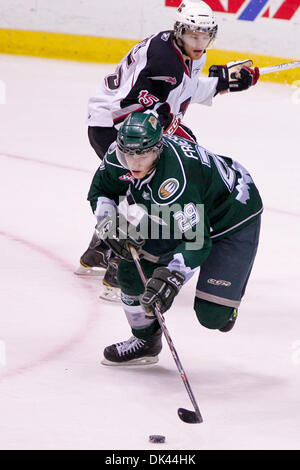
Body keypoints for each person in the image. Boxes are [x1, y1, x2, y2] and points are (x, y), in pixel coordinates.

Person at [76, 0, 260, 301]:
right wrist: (167, 125)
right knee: (152, 186)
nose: (199, 43)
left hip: (125, 121)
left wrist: (223, 81)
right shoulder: (164, 62)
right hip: (114, 126)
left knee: (166, 170)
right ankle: (119, 271)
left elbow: (182, 90)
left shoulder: (179, 49)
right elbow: (128, 108)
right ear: (180, 30)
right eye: (193, 35)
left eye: (205, 36)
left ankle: (99, 251)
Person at [87, 112, 262, 365]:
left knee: (213, 317)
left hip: (231, 216)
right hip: (182, 212)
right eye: (129, 154)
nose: (134, 162)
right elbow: (101, 190)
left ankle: (226, 297)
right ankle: (145, 341)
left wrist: (173, 275)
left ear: (158, 149)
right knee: (129, 272)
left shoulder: (174, 182)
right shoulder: (118, 155)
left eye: (143, 155)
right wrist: (109, 223)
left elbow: (197, 241)